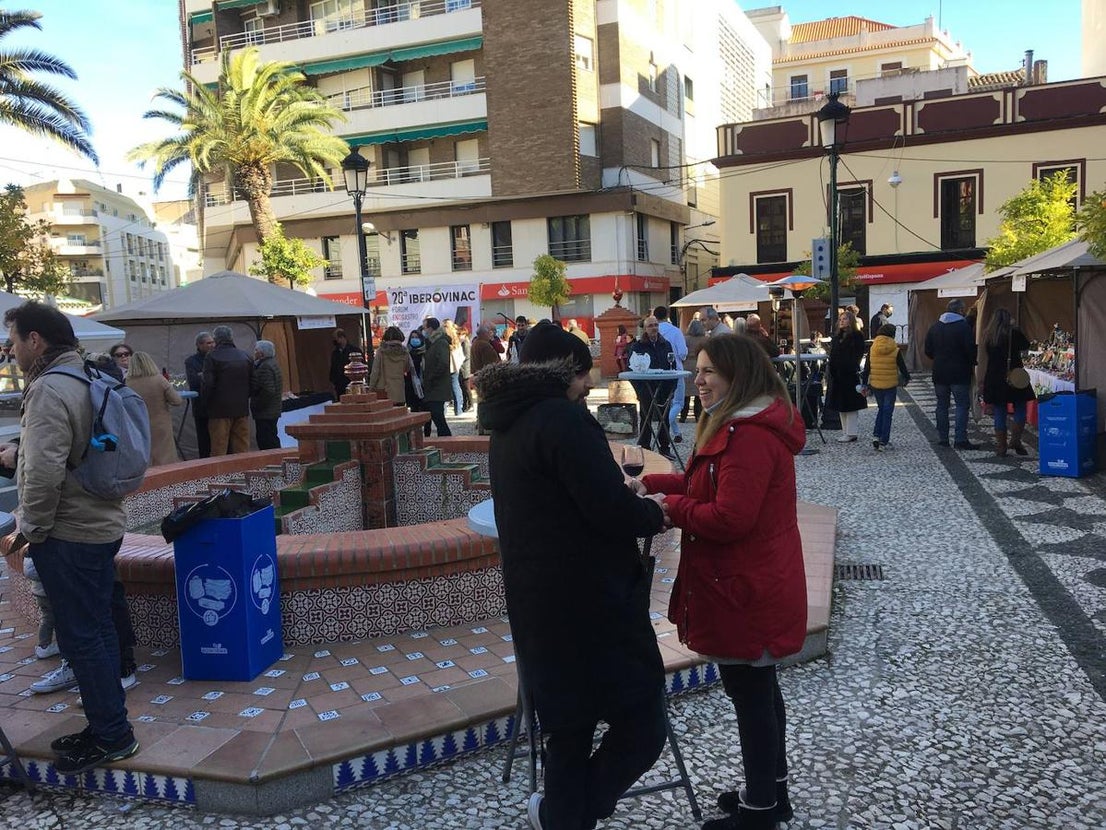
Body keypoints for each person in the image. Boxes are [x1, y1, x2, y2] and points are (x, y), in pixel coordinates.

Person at [474, 322, 669, 830]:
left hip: (539, 607)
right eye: (583, 375)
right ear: (566, 372)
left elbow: (562, 501)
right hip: (593, 604)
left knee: (568, 732)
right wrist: (653, 513)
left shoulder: (505, 422)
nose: (587, 387)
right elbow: (607, 509)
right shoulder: (561, 420)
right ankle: (571, 815)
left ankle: (564, 816)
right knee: (644, 728)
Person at [636, 334, 806, 830]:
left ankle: (758, 814)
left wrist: (669, 510)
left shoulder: (748, 434)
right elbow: (701, 484)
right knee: (759, 691)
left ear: (739, 375)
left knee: (752, 697)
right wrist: (651, 484)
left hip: (747, 587)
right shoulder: (737, 424)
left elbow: (731, 517)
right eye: (698, 368)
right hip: (750, 581)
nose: (698, 379)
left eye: (709, 371)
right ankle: (772, 797)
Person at [1, 301, 140, 774]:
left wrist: (31, 530)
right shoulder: (87, 375)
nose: (11, 349)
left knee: (81, 639)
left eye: (14, 340)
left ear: (35, 340)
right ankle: (108, 723)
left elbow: (42, 475)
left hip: (69, 534)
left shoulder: (48, 389)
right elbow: (73, 448)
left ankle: (113, 736)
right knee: (97, 628)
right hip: (101, 525)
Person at [924, 298, 978, 450]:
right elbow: (970, 350)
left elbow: (927, 350)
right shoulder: (963, 327)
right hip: (960, 373)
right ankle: (960, 439)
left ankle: (943, 438)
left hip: (940, 372)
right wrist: (972, 362)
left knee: (942, 405)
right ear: (960, 310)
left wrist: (939, 358)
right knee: (961, 405)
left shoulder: (935, 327)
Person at [981, 308, 1035, 457]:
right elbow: (1026, 345)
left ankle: (1001, 446)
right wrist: (1016, 328)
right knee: (1020, 407)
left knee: (999, 410)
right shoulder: (1014, 333)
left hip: (995, 376)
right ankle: (1016, 440)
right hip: (1014, 375)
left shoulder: (989, 335)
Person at [629, 316, 676, 459]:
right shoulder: (637, 346)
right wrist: (639, 389)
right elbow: (631, 369)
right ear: (644, 328)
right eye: (650, 325)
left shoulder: (666, 344)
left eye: (656, 325)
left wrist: (672, 386)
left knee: (664, 418)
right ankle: (645, 449)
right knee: (646, 417)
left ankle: (664, 448)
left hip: (663, 387)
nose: (654, 328)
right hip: (646, 386)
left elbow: (672, 365)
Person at [126, 350, 183, 466]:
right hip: (160, 423)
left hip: (139, 424)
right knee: (165, 456)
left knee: (146, 456)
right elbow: (177, 401)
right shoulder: (159, 379)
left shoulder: (128, 382)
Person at [203, 325, 253, 456]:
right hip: (242, 408)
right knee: (242, 446)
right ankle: (243, 471)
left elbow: (208, 384)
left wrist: (206, 403)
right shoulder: (245, 356)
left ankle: (220, 476)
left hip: (219, 410)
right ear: (231, 338)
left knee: (219, 447)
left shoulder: (212, 357)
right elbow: (254, 381)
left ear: (216, 339)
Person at [861, 324, 909, 451]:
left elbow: (867, 368)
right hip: (890, 384)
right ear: (892, 334)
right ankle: (884, 440)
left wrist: (864, 383)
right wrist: (907, 378)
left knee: (881, 409)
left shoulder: (872, 348)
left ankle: (876, 436)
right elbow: (902, 366)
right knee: (888, 412)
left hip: (876, 384)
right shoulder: (895, 348)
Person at [826, 309, 868, 442]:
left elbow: (856, 354)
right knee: (841, 405)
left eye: (845, 319)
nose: (842, 321)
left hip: (849, 374)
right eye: (841, 319)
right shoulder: (837, 337)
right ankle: (846, 431)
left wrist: (849, 366)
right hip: (837, 375)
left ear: (851, 321)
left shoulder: (856, 336)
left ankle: (851, 432)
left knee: (850, 405)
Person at [654, 306, 688, 443]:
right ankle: (665, 423)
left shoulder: (653, 331)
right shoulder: (675, 331)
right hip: (676, 370)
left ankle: (676, 432)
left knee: (666, 402)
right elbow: (682, 353)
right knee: (678, 402)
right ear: (667, 315)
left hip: (658, 373)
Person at [419, 318, 453, 438]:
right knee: (436, 416)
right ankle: (444, 440)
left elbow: (443, 363)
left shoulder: (440, 342)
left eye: (424, 327)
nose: (424, 330)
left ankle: (447, 440)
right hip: (433, 386)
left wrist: (431, 377)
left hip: (438, 386)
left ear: (430, 328)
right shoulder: (432, 342)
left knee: (438, 416)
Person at [184, 330, 215, 458]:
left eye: (213, 342)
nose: (212, 345)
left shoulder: (217, 357)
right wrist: (209, 375)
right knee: (204, 440)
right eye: (208, 343)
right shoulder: (191, 361)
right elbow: (194, 381)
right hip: (201, 406)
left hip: (217, 405)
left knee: (220, 439)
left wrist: (203, 375)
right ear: (199, 345)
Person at [369, 326, 416, 408]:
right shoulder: (404, 351)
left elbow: (375, 371)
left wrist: (371, 387)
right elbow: (407, 368)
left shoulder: (381, 351)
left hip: (384, 391)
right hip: (399, 392)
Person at [250, 340, 283, 450]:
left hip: (266, 411)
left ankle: (272, 462)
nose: (254, 352)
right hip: (272, 409)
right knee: (271, 436)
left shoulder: (264, 367)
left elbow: (268, 390)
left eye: (256, 350)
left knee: (266, 440)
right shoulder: (273, 363)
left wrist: (258, 405)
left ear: (261, 353)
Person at [680, 319, 707, 422]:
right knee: (698, 393)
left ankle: (683, 416)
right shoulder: (705, 339)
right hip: (700, 365)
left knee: (686, 394)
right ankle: (698, 416)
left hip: (686, 365)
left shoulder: (685, 339)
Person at [442, 320, 465, 416]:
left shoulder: (443, 337)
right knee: (455, 385)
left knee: (443, 387)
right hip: (455, 364)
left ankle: (444, 410)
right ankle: (458, 409)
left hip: (446, 364)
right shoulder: (456, 337)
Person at [329, 328, 358, 401]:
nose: (335, 341)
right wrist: (333, 380)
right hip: (339, 385)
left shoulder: (354, 350)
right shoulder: (335, 353)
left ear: (342, 338)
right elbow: (333, 367)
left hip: (351, 382)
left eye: (336, 339)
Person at [458, 327, 473, 411]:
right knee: (463, 387)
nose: (459, 336)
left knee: (466, 387)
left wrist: (459, 359)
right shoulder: (461, 343)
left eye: (461, 334)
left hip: (465, 367)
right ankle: (465, 403)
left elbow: (467, 355)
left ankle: (470, 403)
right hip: (461, 367)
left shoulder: (466, 343)